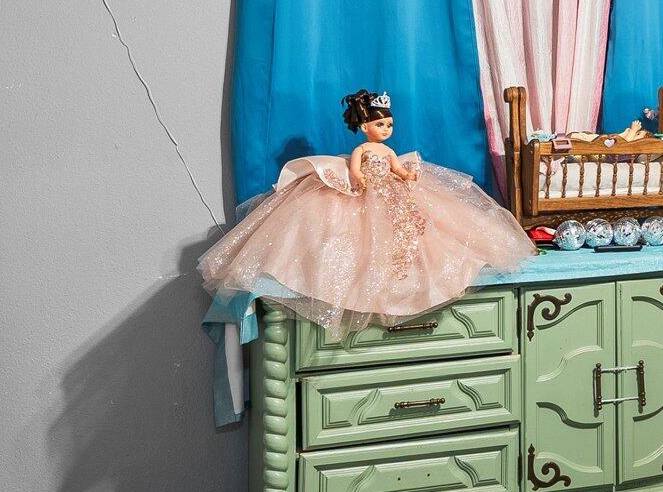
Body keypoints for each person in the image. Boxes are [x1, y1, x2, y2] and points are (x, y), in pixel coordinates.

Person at [197, 88, 529, 332]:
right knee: (363, 236)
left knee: (410, 228)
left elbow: (398, 168)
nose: (386, 130)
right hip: (368, 191)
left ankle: (403, 278)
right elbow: (355, 168)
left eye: (389, 124)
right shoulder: (362, 148)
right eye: (380, 124)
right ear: (364, 126)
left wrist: (407, 174)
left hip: (391, 191)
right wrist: (357, 178)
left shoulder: (388, 151)